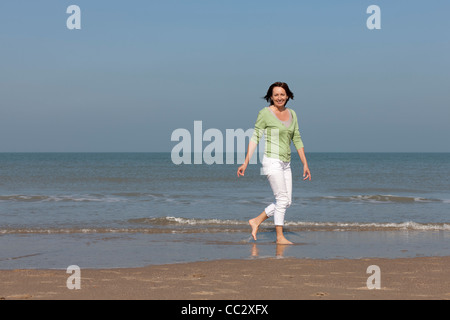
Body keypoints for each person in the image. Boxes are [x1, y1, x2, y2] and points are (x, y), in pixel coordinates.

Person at [237, 82, 311, 245]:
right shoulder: (265, 113)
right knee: (282, 199)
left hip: (286, 162)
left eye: (282, 94)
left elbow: (297, 139)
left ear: (288, 96)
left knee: (286, 202)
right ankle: (279, 237)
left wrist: (305, 164)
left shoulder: (292, 114)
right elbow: (255, 137)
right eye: (276, 94)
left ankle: (256, 221)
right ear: (270, 97)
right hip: (271, 161)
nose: (279, 97)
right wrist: (245, 162)